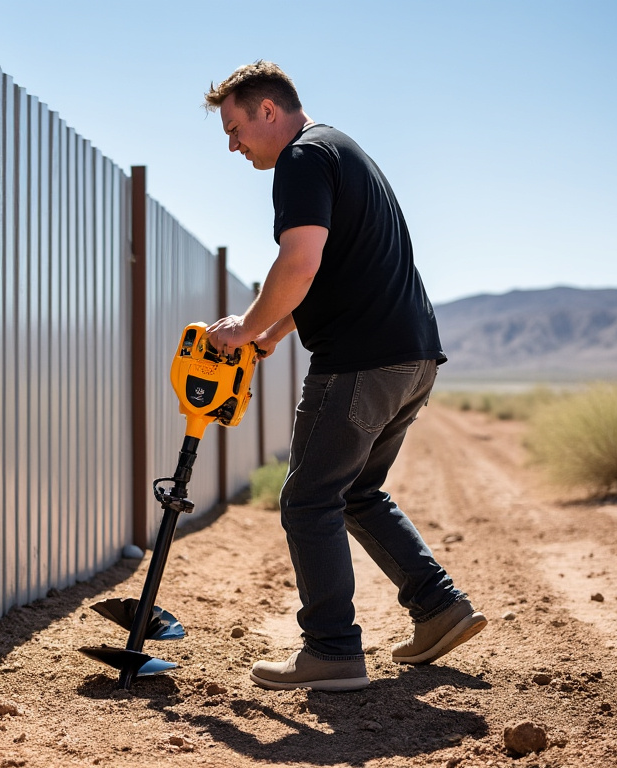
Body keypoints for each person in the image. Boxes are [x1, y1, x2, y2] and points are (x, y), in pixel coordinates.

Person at [203, 61, 486, 692]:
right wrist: (274, 333)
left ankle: (331, 649)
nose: (233, 145)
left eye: (234, 128)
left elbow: (299, 261)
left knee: (307, 500)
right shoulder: (342, 150)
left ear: (268, 111)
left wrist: (245, 327)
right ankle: (439, 608)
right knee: (355, 491)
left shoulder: (302, 159)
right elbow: (330, 267)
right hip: (411, 357)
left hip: (359, 362)